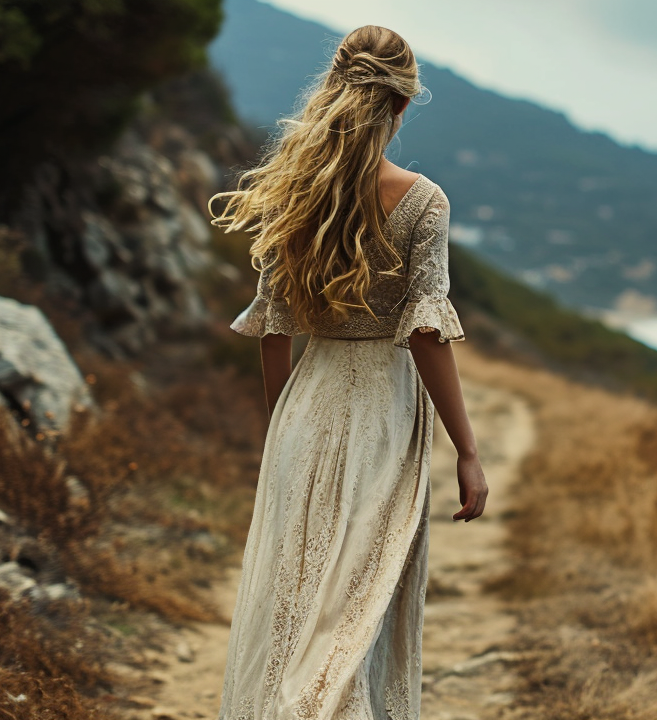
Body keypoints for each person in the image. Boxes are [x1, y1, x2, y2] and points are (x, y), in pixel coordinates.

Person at [208, 25, 487, 720]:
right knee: (356, 615)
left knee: (298, 611)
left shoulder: (295, 194)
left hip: (304, 410)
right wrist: (469, 451)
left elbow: (274, 331)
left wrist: (281, 427)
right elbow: (426, 336)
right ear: (401, 104)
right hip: (381, 422)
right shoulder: (424, 202)